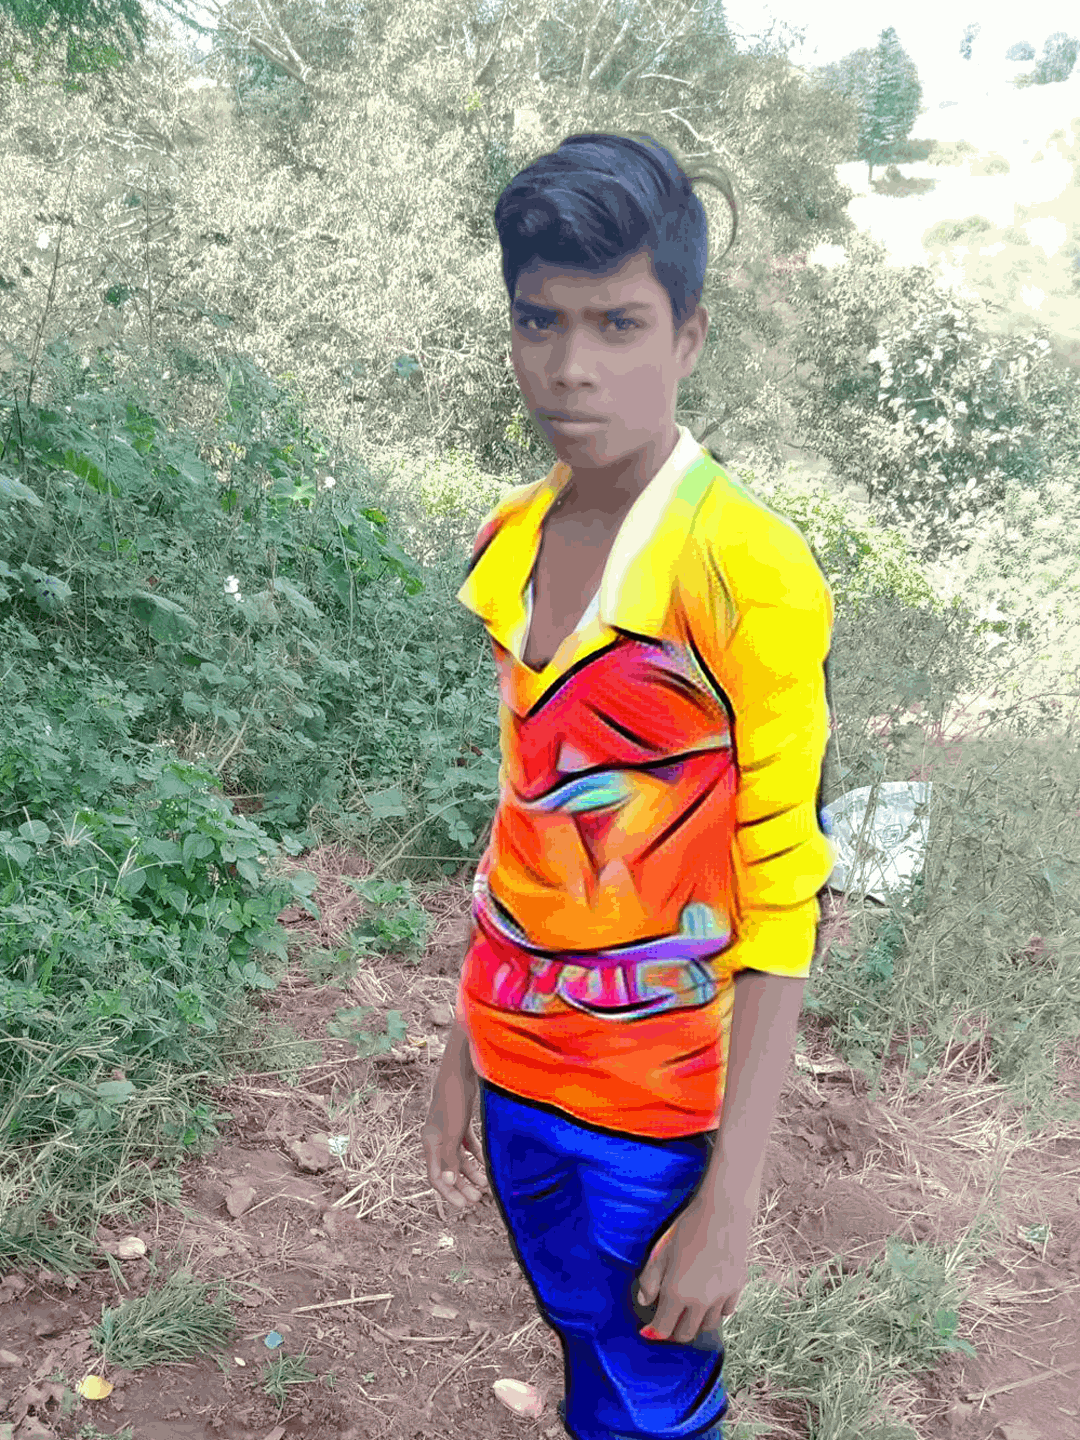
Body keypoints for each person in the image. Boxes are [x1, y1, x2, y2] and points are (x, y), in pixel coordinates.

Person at [422, 130, 835, 1440]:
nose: (570, 367)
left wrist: (733, 1196)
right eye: (538, 320)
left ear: (688, 335)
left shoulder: (745, 569)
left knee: (651, 1398)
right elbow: (526, 820)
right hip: (520, 1062)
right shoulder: (511, 537)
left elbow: (784, 898)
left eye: (617, 323)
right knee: (581, 1336)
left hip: (655, 1100)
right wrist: (464, 1043)